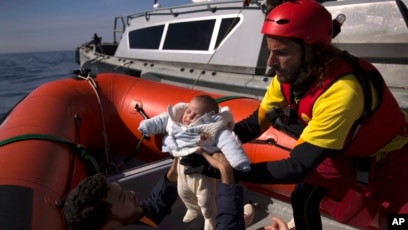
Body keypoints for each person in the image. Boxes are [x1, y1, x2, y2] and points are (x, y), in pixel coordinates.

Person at [184, 1, 408, 230]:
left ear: (315, 51)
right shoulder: (290, 78)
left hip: (391, 157)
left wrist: (225, 170)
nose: (270, 63)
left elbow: (297, 166)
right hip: (344, 151)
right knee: (303, 197)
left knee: (397, 223)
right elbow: (253, 125)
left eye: (281, 53)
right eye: (269, 50)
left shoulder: (343, 91)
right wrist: (210, 146)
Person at [137, 95, 251, 229]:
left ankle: (210, 218)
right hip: (181, 168)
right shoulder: (176, 120)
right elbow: (160, 121)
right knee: (182, 192)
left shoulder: (213, 128)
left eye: (195, 115)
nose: (188, 116)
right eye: (188, 111)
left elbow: (229, 142)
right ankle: (192, 209)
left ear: (206, 118)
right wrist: (147, 126)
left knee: (205, 198)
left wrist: (239, 161)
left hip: (201, 173)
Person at [63, 156, 249, 230]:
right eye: (122, 198)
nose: (132, 193)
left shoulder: (125, 221)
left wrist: (172, 175)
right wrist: (226, 171)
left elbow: (149, 210)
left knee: (209, 217)